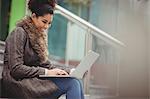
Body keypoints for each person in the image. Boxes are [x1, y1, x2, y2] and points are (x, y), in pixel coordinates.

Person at [2, 0, 84, 99]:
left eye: (49, 23)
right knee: (72, 84)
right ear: (33, 16)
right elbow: (16, 69)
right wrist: (46, 72)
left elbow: (46, 65)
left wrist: (70, 71)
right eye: (44, 22)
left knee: (75, 81)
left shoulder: (38, 38)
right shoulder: (19, 33)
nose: (46, 27)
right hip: (16, 84)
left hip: (33, 80)